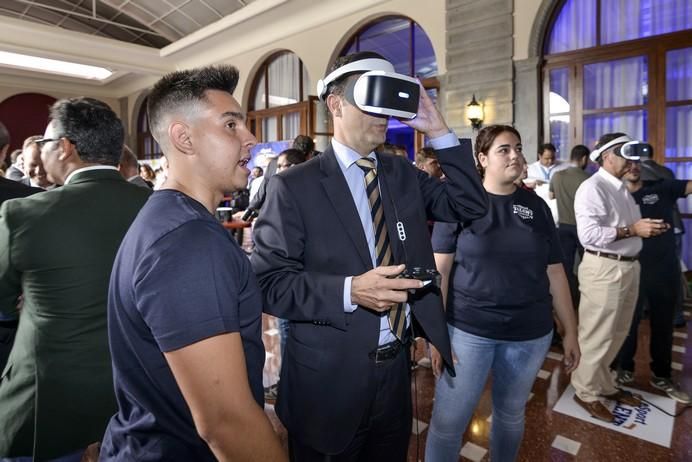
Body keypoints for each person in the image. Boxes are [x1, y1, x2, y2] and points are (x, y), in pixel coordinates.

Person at [251, 51, 487, 461]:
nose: (383, 113)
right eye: (370, 98)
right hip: (327, 382)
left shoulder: (402, 174)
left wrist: (439, 131)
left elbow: (470, 206)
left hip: (395, 375)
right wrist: (349, 291)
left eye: (387, 101)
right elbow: (269, 282)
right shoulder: (293, 187)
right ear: (336, 103)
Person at [100, 65, 286, 462]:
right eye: (231, 125)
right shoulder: (188, 242)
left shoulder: (171, 220)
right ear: (183, 138)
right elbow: (225, 422)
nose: (251, 138)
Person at [0, 97, 151, 461]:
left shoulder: (24, 214)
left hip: (48, 405)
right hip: (136, 397)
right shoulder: (154, 206)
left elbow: (3, 302)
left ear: (66, 148)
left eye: (47, 143)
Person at [425, 125, 580, 462]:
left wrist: (571, 331)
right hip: (468, 331)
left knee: (510, 416)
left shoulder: (534, 206)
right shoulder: (459, 204)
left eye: (518, 148)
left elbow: (555, 272)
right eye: (504, 149)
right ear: (481, 159)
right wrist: (436, 334)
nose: (515, 155)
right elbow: (442, 272)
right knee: (448, 424)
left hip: (529, 333)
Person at [571, 132, 670, 422]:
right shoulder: (593, 188)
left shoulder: (622, 189)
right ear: (607, 156)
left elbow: (627, 226)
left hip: (628, 266)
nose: (631, 160)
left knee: (618, 332)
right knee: (597, 334)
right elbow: (588, 235)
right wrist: (632, 230)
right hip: (604, 269)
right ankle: (586, 390)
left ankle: (604, 384)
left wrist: (645, 228)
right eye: (625, 153)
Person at [614, 161, 692, 404]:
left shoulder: (661, 187)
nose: (633, 167)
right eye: (628, 163)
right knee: (627, 324)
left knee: (663, 326)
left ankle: (662, 375)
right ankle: (623, 371)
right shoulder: (614, 196)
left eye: (637, 163)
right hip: (631, 268)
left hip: (664, 270)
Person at [549, 144, 590, 303]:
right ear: (584, 158)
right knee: (588, 266)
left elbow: (551, 196)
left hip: (563, 226)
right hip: (583, 228)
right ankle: (585, 300)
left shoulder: (557, 176)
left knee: (565, 267)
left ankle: (568, 299)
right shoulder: (588, 179)